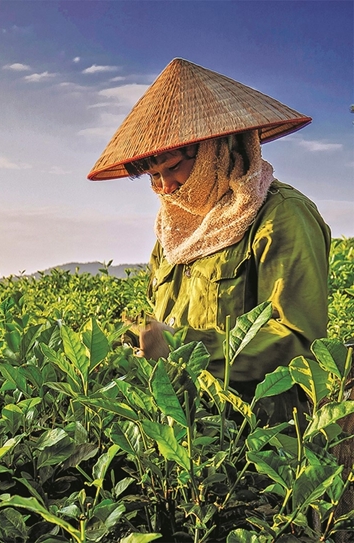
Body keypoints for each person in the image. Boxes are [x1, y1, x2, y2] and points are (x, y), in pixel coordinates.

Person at [88, 58, 331, 425]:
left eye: (173, 167)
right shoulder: (174, 231)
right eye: (153, 176)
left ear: (215, 149)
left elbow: (299, 342)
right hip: (187, 427)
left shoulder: (281, 216)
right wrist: (139, 336)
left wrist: (183, 344)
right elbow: (165, 318)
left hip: (258, 433)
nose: (166, 187)